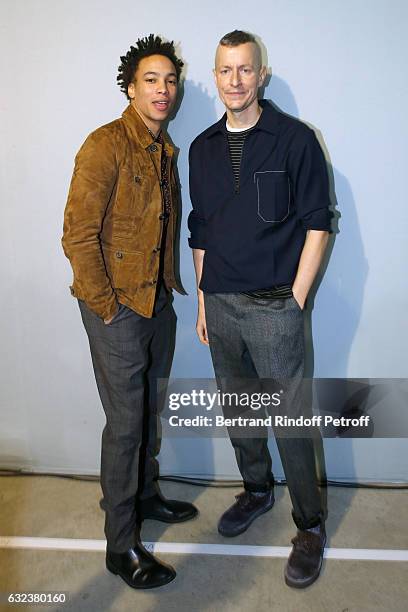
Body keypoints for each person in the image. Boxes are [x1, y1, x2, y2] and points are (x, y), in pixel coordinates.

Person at [188, 30, 332, 588]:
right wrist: (203, 299)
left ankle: (310, 525)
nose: (234, 81)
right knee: (241, 411)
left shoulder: (295, 141)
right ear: (218, 75)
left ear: (261, 75)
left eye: (245, 70)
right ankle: (255, 490)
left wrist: (295, 299)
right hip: (220, 302)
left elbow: (319, 222)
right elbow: (200, 230)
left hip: (276, 305)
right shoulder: (201, 148)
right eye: (225, 70)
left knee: (291, 421)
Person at [62, 34, 197, 590]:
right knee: (125, 426)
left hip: (157, 300)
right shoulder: (105, 144)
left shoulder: (164, 149)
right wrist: (107, 307)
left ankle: (144, 493)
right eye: (151, 80)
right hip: (117, 307)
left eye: (169, 81)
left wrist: (163, 293)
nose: (162, 90)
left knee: (149, 409)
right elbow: (77, 235)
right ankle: (121, 545)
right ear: (130, 87)